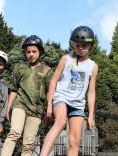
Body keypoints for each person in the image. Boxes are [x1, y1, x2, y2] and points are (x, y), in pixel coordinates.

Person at [40, 26, 98, 156]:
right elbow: (53, 81)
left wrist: (91, 115)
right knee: (60, 122)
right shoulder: (66, 59)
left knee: (75, 140)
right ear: (73, 44)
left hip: (78, 103)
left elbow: (91, 92)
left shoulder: (93, 66)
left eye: (84, 45)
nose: (81, 48)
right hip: (62, 97)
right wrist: (49, 105)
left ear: (90, 45)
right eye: (78, 45)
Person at [1, 35, 53, 156]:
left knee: (29, 142)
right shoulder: (19, 68)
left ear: (40, 52)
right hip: (20, 104)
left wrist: (49, 109)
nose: (31, 54)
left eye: (34, 51)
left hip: (37, 109)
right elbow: (13, 89)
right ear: (25, 53)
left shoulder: (47, 70)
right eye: (28, 52)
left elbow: (49, 91)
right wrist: (8, 108)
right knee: (15, 132)